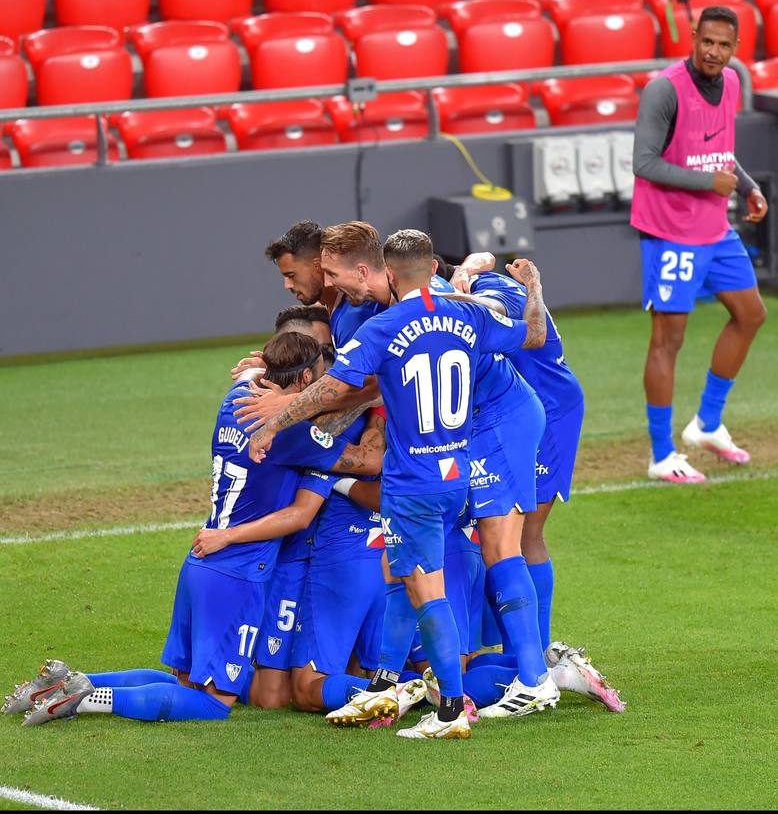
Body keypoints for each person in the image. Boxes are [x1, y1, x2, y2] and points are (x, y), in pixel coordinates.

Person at [248, 230, 547, 740]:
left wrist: (276, 421)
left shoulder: (383, 327)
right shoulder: (468, 312)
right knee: (399, 572)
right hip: (457, 467)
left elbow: (335, 386)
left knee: (425, 587)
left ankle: (452, 710)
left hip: (413, 480)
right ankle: (389, 677)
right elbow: (532, 335)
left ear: (386, 273)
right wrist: (535, 289)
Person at [11, 333, 382, 726]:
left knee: (186, 685)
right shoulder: (293, 435)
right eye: (320, 383)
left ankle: (70, 682)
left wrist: (260, 368)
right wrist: (373, 402)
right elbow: (368, 462)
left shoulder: (234, 400)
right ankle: (85, 700)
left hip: (201, 565)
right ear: (306, 378)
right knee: (214, 703)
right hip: (238, 572)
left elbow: (255, 376)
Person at [439, 260, 625, 713]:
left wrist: (449, 294)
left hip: (544, 410)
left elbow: (518, 318)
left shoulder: (492, 287)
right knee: (507, 535)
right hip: (524, 408)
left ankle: (535, 667)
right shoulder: (477, 275)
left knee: (519, 535)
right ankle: (533, 659)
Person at [631, 5, 768, 483]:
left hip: (714, 228)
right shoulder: (664, 90)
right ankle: (662, 454)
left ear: (735, 49)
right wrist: (707, 182)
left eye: (724, 45)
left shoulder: (731, 83)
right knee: (668, 341)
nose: (714, 51)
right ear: (693, 37)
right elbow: (644, 163)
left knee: (751, 314)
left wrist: (747, 184)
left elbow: (719, 151)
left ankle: (707, 424)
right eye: (706, 41)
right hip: (670, 233)